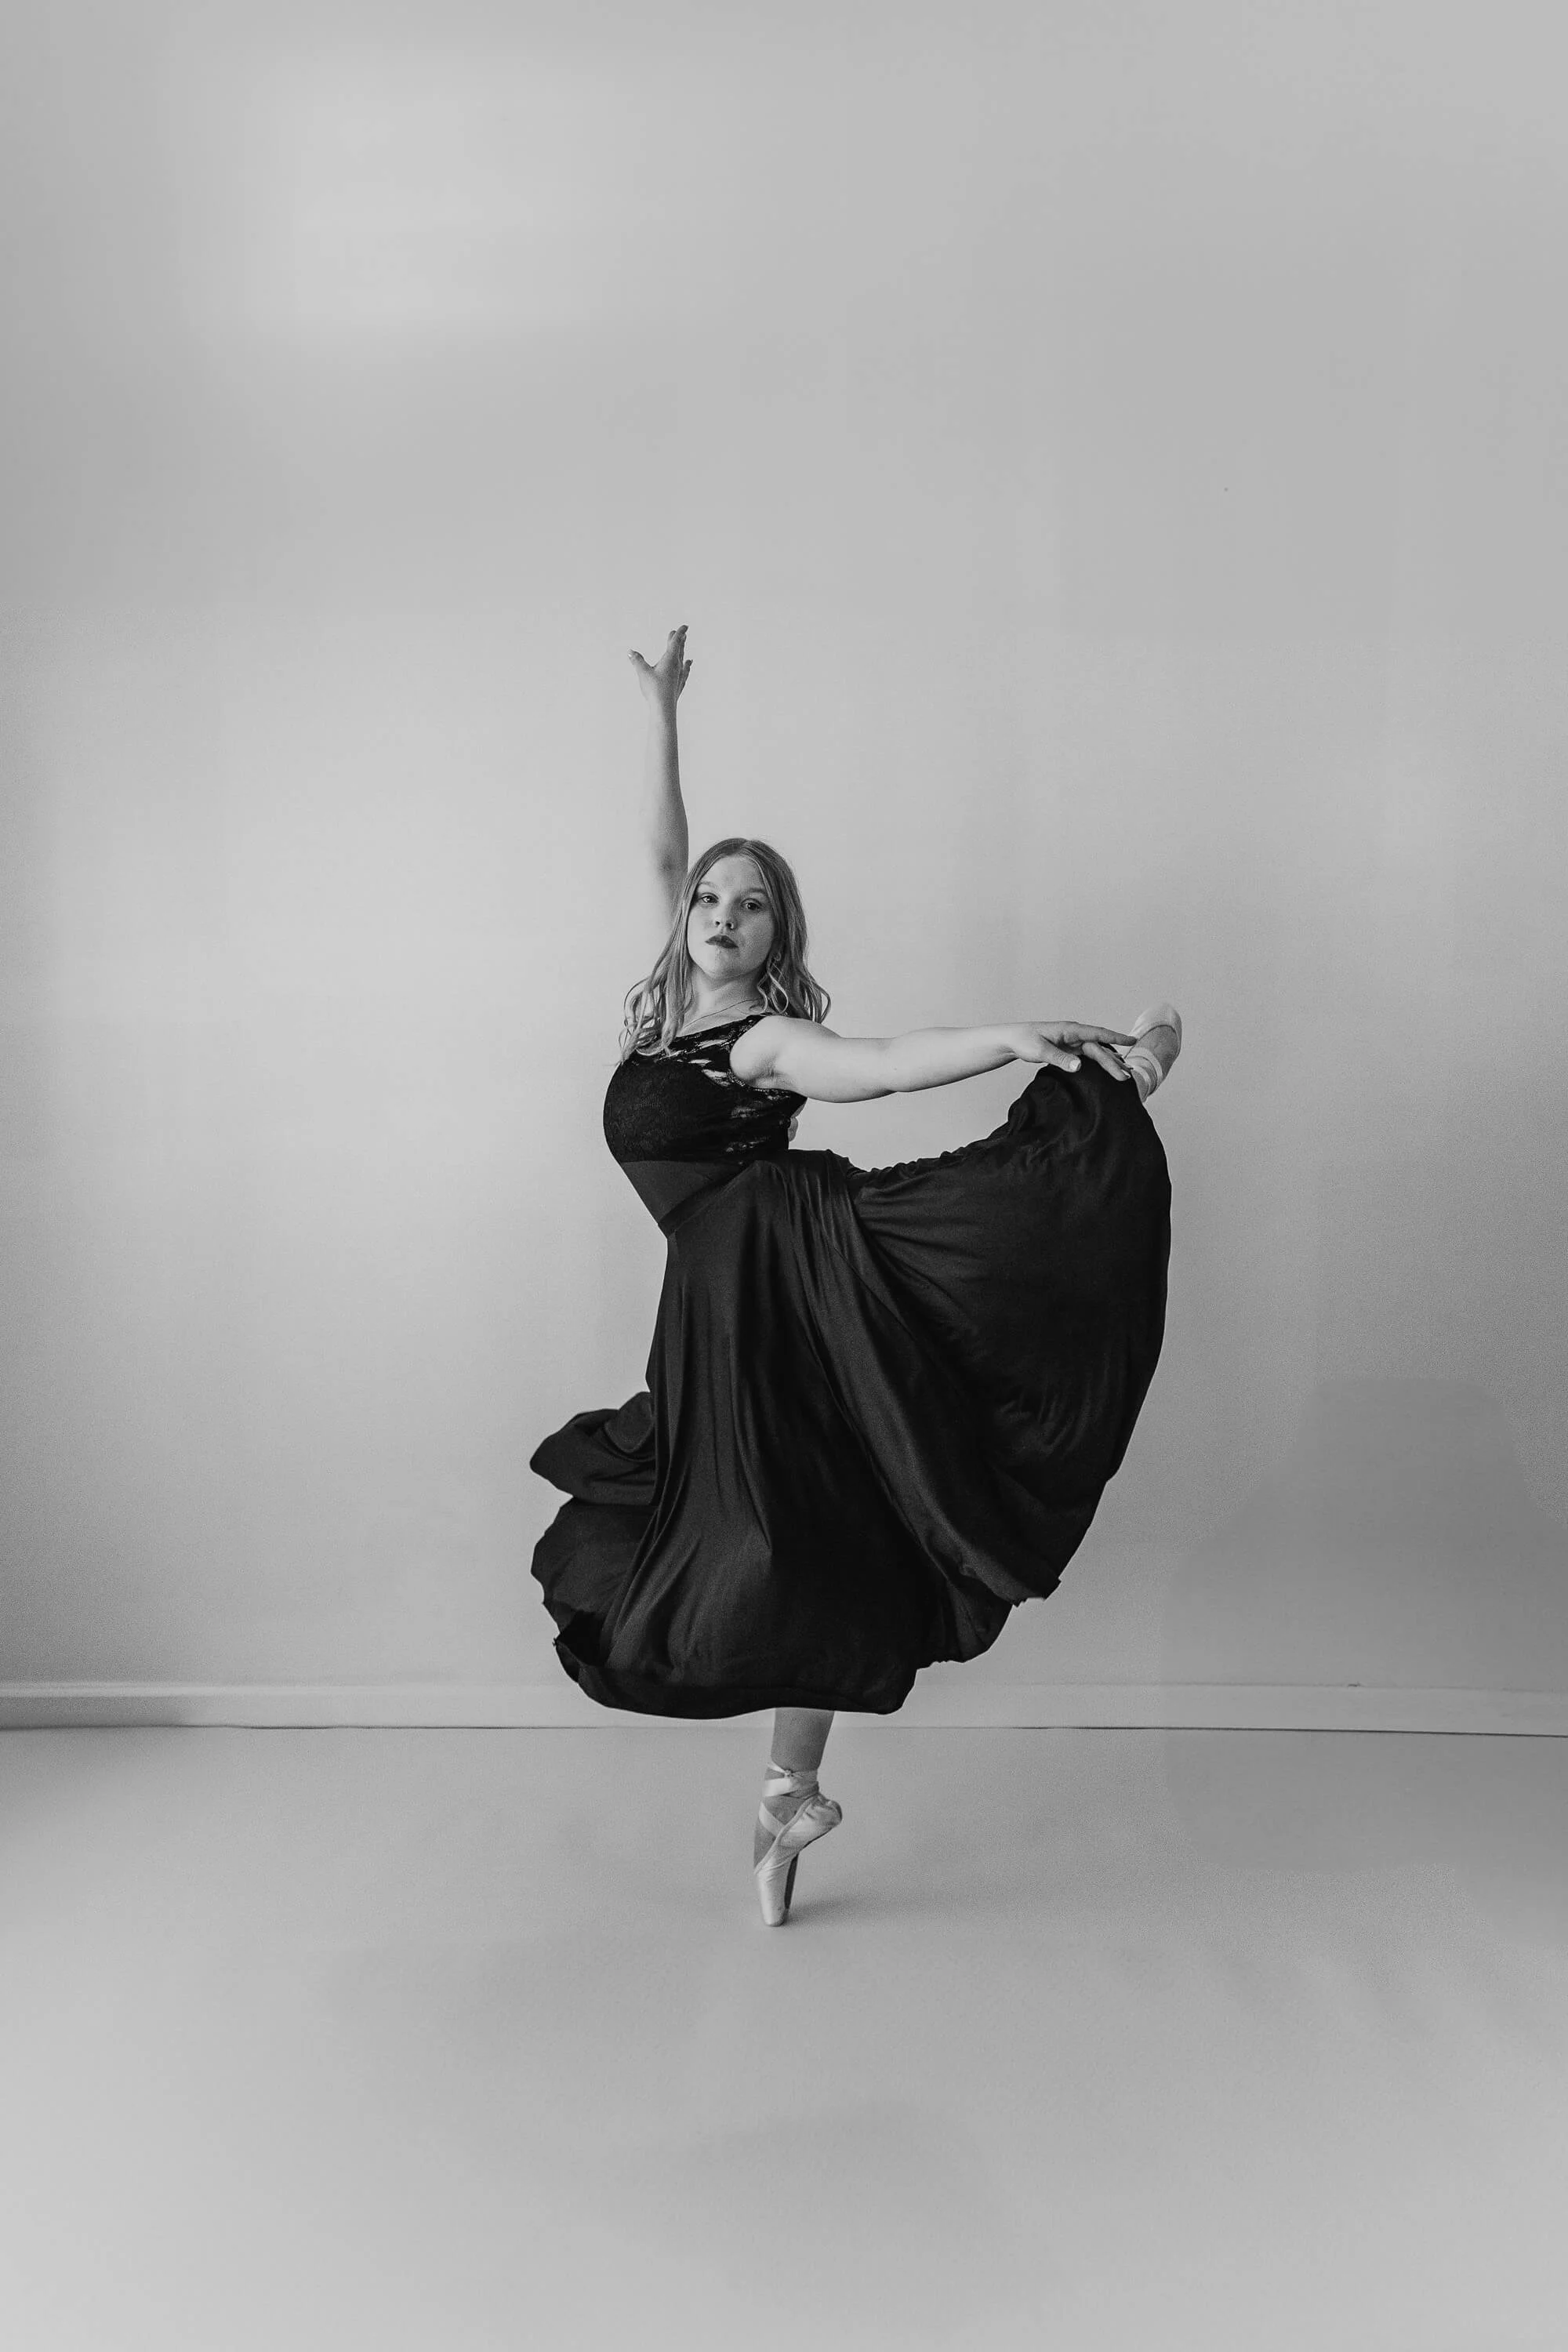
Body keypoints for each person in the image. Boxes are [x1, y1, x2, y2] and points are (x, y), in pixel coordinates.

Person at [531, 625, 1181, 1927]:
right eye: (711, 901)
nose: (722, 916)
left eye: (751, 905)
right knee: (786, 1524)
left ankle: (1115, 1086)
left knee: (814, 1507)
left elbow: (880, 1066)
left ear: (780, 934)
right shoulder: (665, 1016)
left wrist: (1010, 1036)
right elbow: (665, 852)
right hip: (720, 1305)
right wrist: (664, 715)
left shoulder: (764, 1041)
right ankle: (789, 1802)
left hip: (793, 1266)